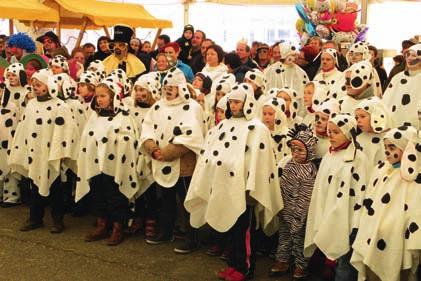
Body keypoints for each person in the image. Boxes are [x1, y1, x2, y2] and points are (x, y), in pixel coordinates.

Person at [185, 83, 283, 281]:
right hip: (223, 187)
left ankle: (245, 268)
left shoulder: (257, 129)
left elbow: (260, 162)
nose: (233, 105)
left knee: (243, 231)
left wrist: (250, 187)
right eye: (231, 102)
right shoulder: (223, 125)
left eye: (237, 101)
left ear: (247, 103)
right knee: (230, 228)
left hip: (245, 191)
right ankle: (233, 264)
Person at [140, 68, 206, 253]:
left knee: (186, 202)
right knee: (166, 200)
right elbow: (147, 129)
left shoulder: (192, 107)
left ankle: (192, 238)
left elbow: (193, 136)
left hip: (184, 165)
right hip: (160, 162)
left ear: (181, 87)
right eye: (166, 86)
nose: (168, 90)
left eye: (172, 87)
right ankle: (166, 232)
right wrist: (153, 149)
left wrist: (168, 152)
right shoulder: (158, 106)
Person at [9, 69, 79, 233]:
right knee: (34, 187)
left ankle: (57, 220)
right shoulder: (32, 104)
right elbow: (24, 127)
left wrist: (61, 152)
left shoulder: (60, 106)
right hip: (35, 154)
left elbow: (66, 130)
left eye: (39, 85)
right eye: (33, 85)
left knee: (55, 189)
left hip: (51, 155)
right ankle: (35, 218)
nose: (35, 88)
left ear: (48, 86)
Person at [77, 79, 141, 246]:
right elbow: (87, 136)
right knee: (98, 193)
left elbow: (129, 139)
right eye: (97, 96)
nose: (99, 99)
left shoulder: (123, 116)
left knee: (115, 196)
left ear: (113, 97)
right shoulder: (94, 116)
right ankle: (102, 224)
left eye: (103, 96)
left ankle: (117, 227)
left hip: (115, 165)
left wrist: (114, 140)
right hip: (96, 163)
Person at [304, 114, 369, 281]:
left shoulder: (358, 159)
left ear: (347, 133)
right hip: (328, 215)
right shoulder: (329, 156)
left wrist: (354, 221)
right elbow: (322, 189)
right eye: (329, 131)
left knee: (345, 263)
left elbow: (360, 191)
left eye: (335, 132)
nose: (331, 135)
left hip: (348, 220)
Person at [351, 126, 420, 281]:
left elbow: (412, 211)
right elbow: (371, 200)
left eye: (392, 147)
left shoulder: (413, 177)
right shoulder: (381, 169)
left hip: (395, 240)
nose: (387, 151)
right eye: (385, 147)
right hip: (371, 235)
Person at [270, 124, 318, 280]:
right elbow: (282, 186)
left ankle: (301, 265)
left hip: (299, 214)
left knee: (298, 240)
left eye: (300, 150)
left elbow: (306, 196)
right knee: (284, 237)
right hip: (285, 210)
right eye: (293, 149)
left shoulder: (310, 170)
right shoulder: (289, 164)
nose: (295, 153)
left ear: (309, 151)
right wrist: (280, 207)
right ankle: (282, 260)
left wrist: (298, 216)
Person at [264, 42, 309, 116]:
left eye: (295, 55)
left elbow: (303, 93)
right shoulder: (271, 70)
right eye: (292, 55)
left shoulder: (300, 72)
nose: (294, 58)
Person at [383, 44, 421, 130]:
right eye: (408, 55)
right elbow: (386, 101)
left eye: (414, 55)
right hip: (394, 127)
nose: (410, 58)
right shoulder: (397, 77)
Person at [0, 77, 20, 208]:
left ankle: (12, 196)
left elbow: (15, 124)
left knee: (9, 169)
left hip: (8, 142)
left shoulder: (11, 106)